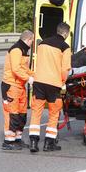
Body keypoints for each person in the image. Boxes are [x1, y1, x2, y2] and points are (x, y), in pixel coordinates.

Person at [29, 22, 71, 153]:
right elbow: (65, 69)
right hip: (53, 84)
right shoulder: (65, 47)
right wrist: (63, 81)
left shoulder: (42, 44)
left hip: (39, 82)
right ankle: (48, 144)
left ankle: (34, 143)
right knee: (54, 113)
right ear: (66, 33)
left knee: (36, 112)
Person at [1, 30, 34, 150]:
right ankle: (8, 142)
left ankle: (17, 139)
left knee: (21, 115)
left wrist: (36, 75)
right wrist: (28, 78)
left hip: (20, 86)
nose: (32, 43)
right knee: (12, 114)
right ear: (28, 40)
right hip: (11, 86)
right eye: (32, 41)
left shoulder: (24, 51)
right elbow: (15, 69)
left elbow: (24, 69)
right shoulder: (16, 50)